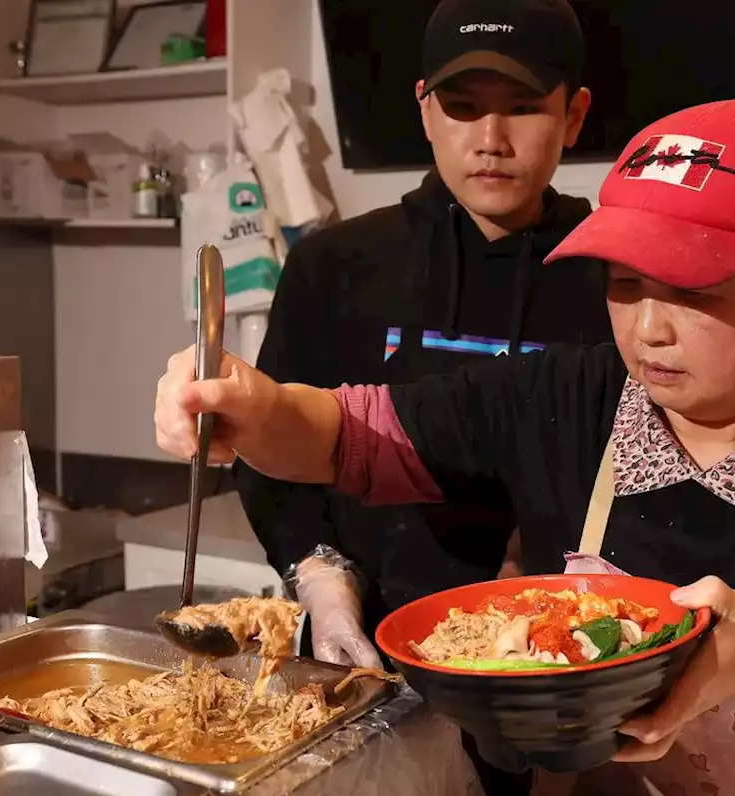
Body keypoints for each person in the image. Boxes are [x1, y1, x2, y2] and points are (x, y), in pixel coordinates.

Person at [157, 98, 735, 796]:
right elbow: (353, 435)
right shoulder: (573, 396)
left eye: (694, 290)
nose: (647, 329)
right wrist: (253, 405)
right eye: (625, 283)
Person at [238, 0, 606, 671]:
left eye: (523, 106)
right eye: (463, 105)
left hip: (552, 658)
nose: (491, 137)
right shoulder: (337, 264)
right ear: (426, 109)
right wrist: (322, 581)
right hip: (363, 654)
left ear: (573, 115)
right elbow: (272, 459)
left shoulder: (613, 281)